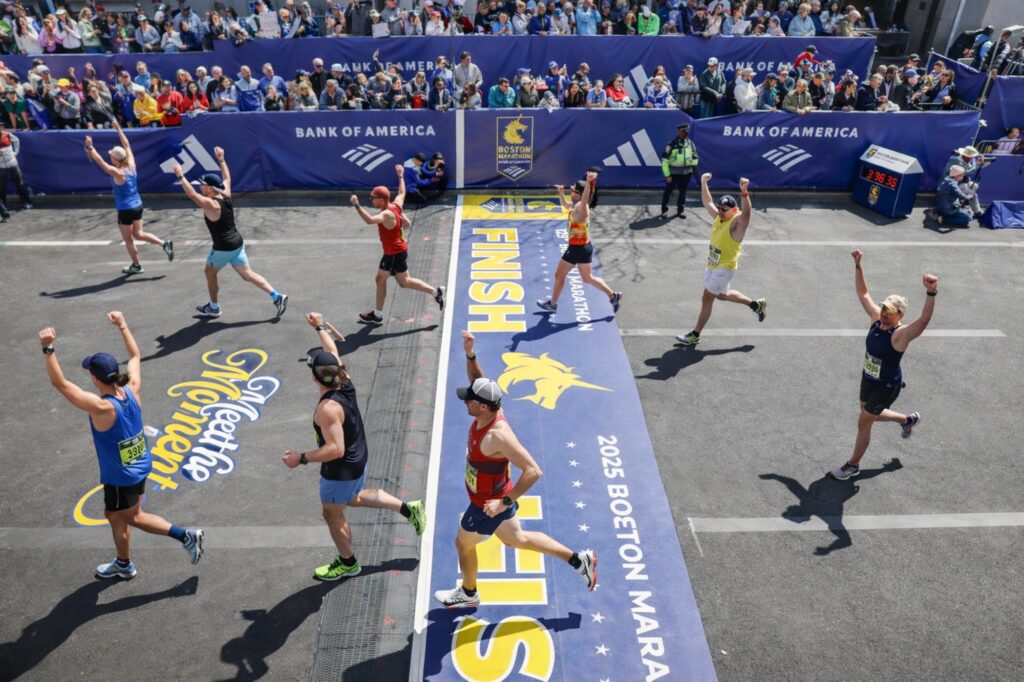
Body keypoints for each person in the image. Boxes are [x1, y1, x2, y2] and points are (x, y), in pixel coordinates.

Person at [433, 331, 597, 607]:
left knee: (463, 543)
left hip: (487, 505)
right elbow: (477, 382)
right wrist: (470, 354)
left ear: (483, 407)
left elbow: (533, 470)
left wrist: (502, 503)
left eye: (469, 401)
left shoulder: (498, 435)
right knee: (516, 539)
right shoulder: (492, 406)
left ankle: (469, 593)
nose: (464, 401)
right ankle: (578, 560)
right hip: (495, 496)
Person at [38, 311, 204, 579]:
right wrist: (123, 326)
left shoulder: (102, 407)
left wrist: (48, 348)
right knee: (116, 515)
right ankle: (124, 564)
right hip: (140, 466)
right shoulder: (131, 388)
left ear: (94, 379)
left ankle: (185, 535)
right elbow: (136, 357)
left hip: (120, 477)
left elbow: (60, 384)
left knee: (133, 517)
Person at [284, 313, 426, 580]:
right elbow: (332, 351)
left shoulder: (327, 409)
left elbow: (334, 449)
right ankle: (409, 508)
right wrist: (320, 326)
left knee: (331, 512)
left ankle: (347, 562)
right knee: (353, 498)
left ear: (315, 378)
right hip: (358, 454)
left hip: (340, 467)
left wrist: (300, 458)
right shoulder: (343, 379)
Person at [831, 250, 936, 480]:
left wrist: (931, 291)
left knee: (864, 421)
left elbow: (924, 320)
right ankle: (907, 420)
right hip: (868, 377)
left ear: (899, 315)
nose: (884, 314)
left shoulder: (901, 335)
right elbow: (863, 293)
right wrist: (858, 265)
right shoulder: (876, 321)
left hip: (886, 385)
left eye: (890, 312)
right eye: (884, 309)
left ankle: (853, 465)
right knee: (868, 416)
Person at [171, 148, 288, 319]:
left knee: (209, 272)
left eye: (202, 185)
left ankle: (214, 307)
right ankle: (277, 296)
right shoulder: (225, 193)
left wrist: (180, 176)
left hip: (223, 248)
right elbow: (227, 177)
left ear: (210, 189)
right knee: (247, 274)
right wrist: (222, 159)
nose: (200, 187)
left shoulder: (212, 204)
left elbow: (191, 194)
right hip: (237, 243)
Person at [676, 173, 766, 346]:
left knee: (707, 298)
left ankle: (695, 335)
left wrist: (744, 194)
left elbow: (746, 215)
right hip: (712, 265)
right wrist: (703, 183)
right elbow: (707, 202)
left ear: (733, 210)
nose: (720, 211)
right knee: (722, 296)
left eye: (724, 209)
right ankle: (755, 305)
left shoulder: (736, 224)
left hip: (724, 267)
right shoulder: (720, 217)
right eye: (719, 208)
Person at [350, 164, 445, 325]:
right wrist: (400, 175)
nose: (371, 199)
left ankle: (378, 315)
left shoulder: (386, 214)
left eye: (373, 197)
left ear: (381, 200)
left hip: (393, 254)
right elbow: (402, 192)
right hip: (397, 251)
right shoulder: (396, 205)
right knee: (403, 282)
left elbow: (369, 220)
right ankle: (436, 293)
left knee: (381, 279)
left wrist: (357, 205)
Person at [84, 120, 173, 275]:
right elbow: (127, 146)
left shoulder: (118, 173)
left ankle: (136, 265)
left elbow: (100, 162)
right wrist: (118, 129)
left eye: (112, 155)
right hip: (137, 205)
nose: (110, 156)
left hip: (125, 210)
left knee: (128, 240)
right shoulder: (131, 164)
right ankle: (164, 243)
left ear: (117, 160)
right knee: (139, 233)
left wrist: (90, 147)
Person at [537, 171, 622, 314]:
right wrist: (561, 192)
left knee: (559, 275)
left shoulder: (582, 209)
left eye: (572, 189)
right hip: (584, 247)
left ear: (579, 193)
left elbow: (585, 199)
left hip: (577, 249)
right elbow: (565, 205)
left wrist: (589, 182)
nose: (571, 190)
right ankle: (613, 296)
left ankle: (553, 304)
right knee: (588, 278)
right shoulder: (575, 205)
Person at [660, 123, 699, 220]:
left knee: (683, 193)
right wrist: (667, 175)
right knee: (668, 192)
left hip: (686, 173)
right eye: (680, 131)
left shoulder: (690, 143)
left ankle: (680, 211)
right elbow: (664, 161)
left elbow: (695, 157)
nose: (680, 133)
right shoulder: (671, 144)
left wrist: (692, 167)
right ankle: (664, 211)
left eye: (683, 132)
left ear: (686, 133)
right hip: (673, 173)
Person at [942, 146, 986, 219]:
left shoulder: (966, 160)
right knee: (973, 195)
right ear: (966, 156)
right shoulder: (955, 160)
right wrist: (978, 165)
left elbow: (969, 170)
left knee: (975, 186)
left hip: (961, 181)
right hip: (951, 184)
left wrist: (979, 165)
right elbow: (958, 172)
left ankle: (964, 201)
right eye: (972, 156)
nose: (973, 158)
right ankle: (977, 212)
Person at [0, 131, 32, 222]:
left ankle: (26, 202)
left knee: (20, 183)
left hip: (13, 164)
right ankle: (4, 208)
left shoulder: (7, 134)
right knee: (2, 188)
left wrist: (16, 151)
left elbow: (16, 140)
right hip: (1, 167)